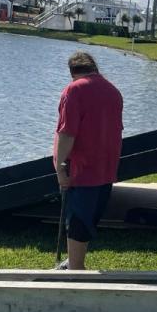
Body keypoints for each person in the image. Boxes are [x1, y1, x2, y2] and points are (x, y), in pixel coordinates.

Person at [54, 51, 123, 270]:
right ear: (94, 68)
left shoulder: (74, 90)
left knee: (76, 219)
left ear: (73, 72)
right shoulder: (113, 91)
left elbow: (67, 134)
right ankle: (74, 262)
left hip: (82, 168)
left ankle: (76, 269)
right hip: (106, 168)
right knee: (89, 218)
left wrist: (59, 168)